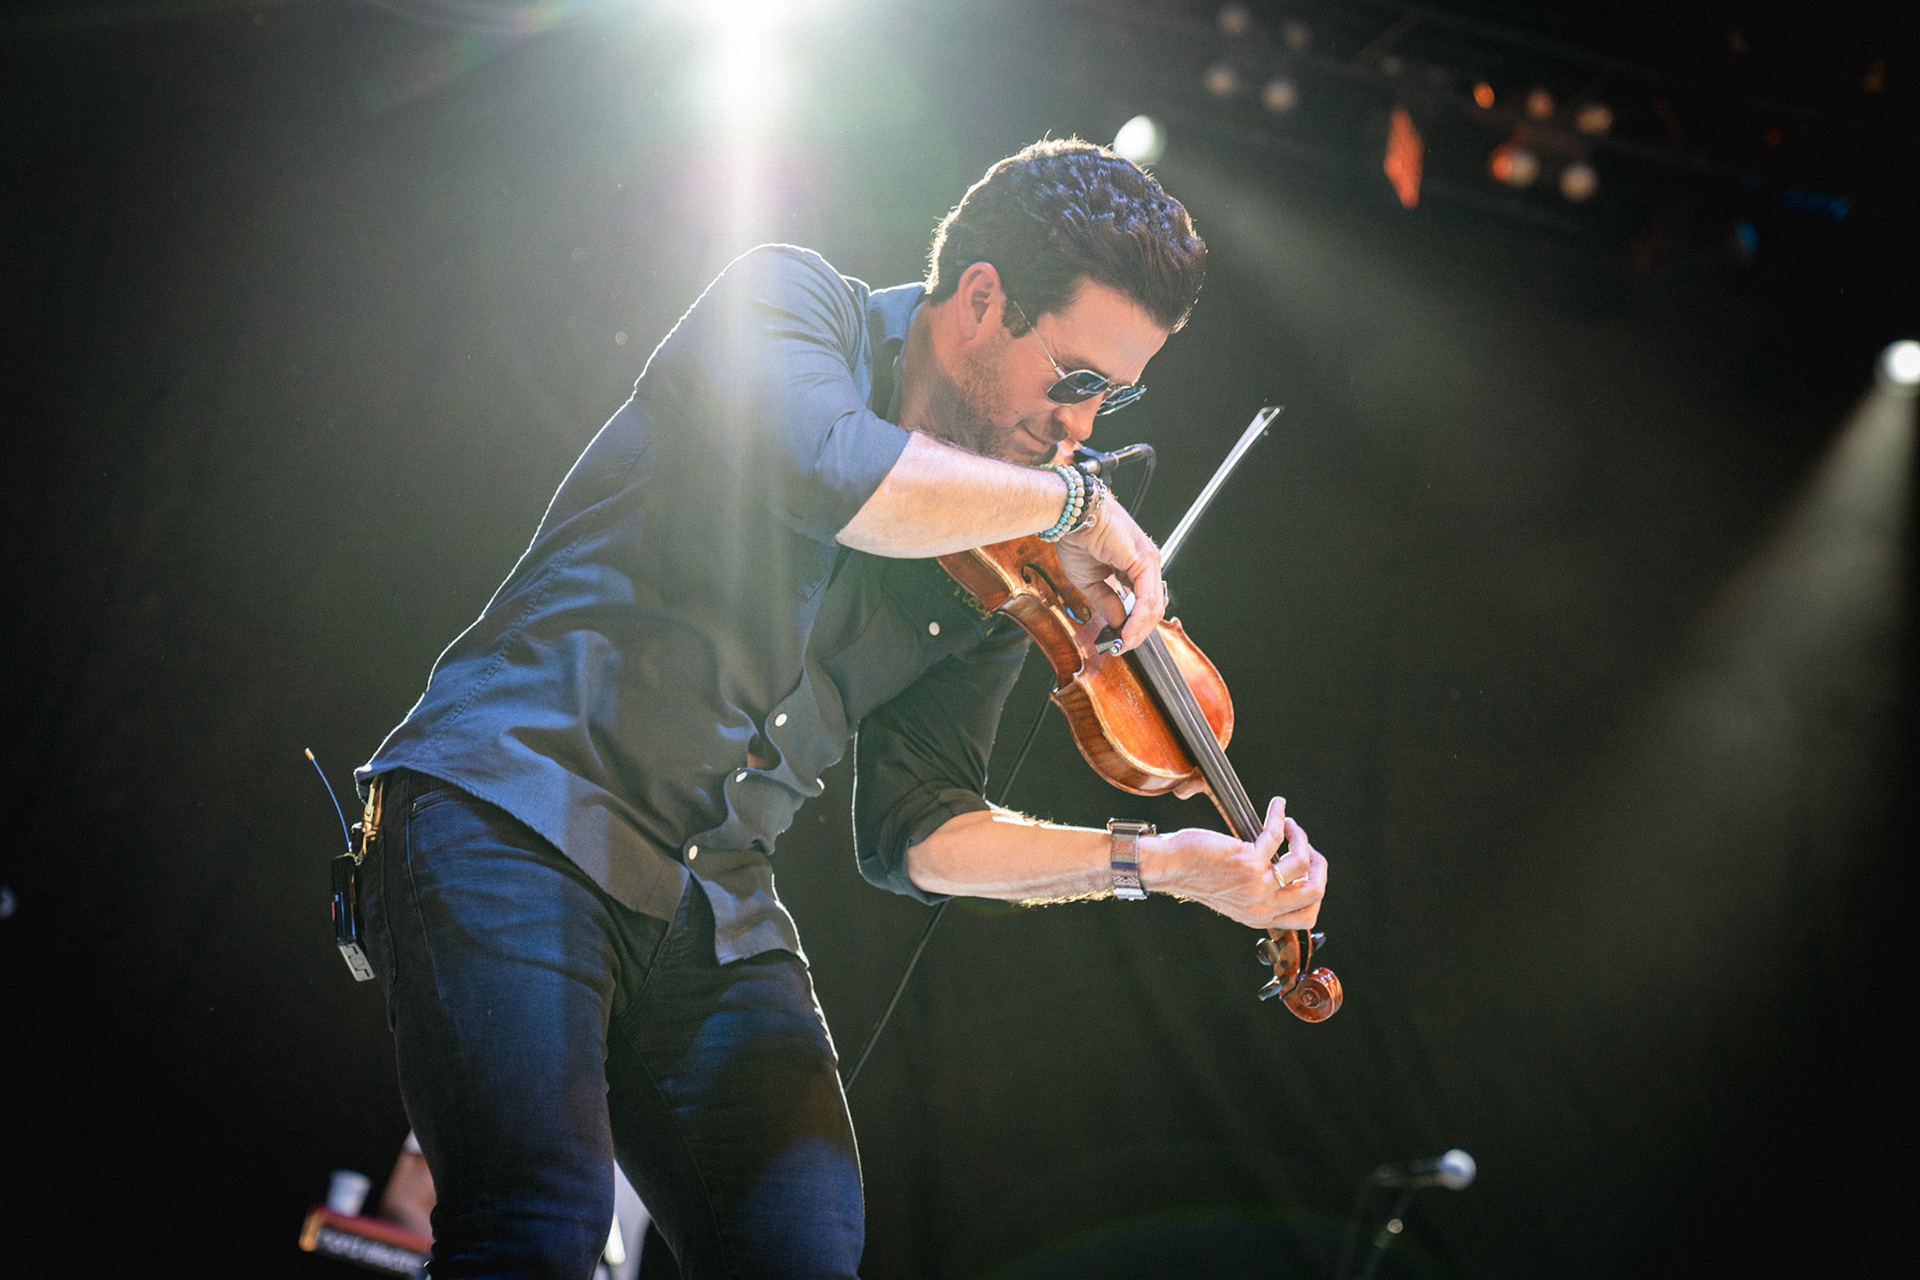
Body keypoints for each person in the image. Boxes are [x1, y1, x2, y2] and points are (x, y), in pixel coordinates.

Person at [354, 138, 1329, 1278]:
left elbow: (917, 828)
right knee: (537, 1223)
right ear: (981, 299)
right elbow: (833, 473)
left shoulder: (998, 551)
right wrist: (1073, 505)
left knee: (803, 1254)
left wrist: (1158, 864)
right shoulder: (789, 304)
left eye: (1115, 395)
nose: (1084, 425)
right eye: (1075, 380)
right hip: (520, 806)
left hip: (713, 901)